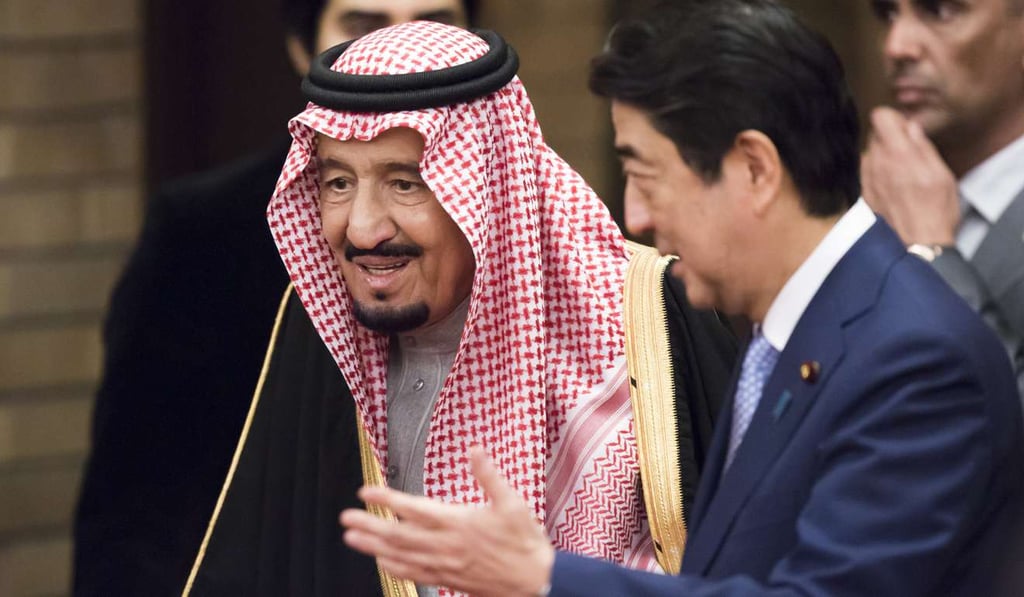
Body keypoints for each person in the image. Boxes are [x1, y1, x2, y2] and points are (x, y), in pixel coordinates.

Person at [338, 2, 1024, 595]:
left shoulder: (914, 357)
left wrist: (543, 575)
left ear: (753, 169)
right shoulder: (792, 330)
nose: (635, 214)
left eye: (646, 173)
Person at [182, 20, 737, 597]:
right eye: (338, 183)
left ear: (487, 189)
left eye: (405, 183)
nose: (364, 229)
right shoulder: (321, 324)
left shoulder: (649, 314)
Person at [72, 2, 477, 596]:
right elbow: (136, 502)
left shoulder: (543, 237)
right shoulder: (203, 230)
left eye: (432, 24)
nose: (396, 54)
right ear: (300, 47)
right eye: (362, 27)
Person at [861, 0, 1024, 395]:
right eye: (887, 14)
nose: (896, 46)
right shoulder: (876, 200)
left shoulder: (915, 222)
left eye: (939, 11)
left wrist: (930, 251)